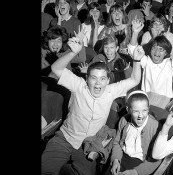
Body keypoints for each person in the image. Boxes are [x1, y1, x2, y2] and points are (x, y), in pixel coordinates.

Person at [41, 29, 145, 175]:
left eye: (102, 79)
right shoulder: (79, 85)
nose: (98, 83)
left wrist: (137, 60)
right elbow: (56, 68)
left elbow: (135, 79)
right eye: (94, 78)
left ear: (108, 80)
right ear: (87, 78)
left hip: (89, 145)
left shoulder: (111, 90)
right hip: (65, 139)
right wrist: (71, 52)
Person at [128, 18, 173, 102]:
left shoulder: (170, 63)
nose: (157, 52)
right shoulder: (147, 61)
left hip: (163, 102)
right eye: (154, 48)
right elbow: (132, 50)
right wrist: (135, 32)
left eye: (161, 49)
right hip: (147, 100)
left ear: (166, 53)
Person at [107, 90, 162, 175]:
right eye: (136, 111)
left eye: (144, 110)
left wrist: (136, 172)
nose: (140, 116)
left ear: (148, 108)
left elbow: (157, 158)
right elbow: (117, 142)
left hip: (142, 164)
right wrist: (115, 160)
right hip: (122, 157)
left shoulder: (155, 127)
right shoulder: (124, 121)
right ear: (128, 109)